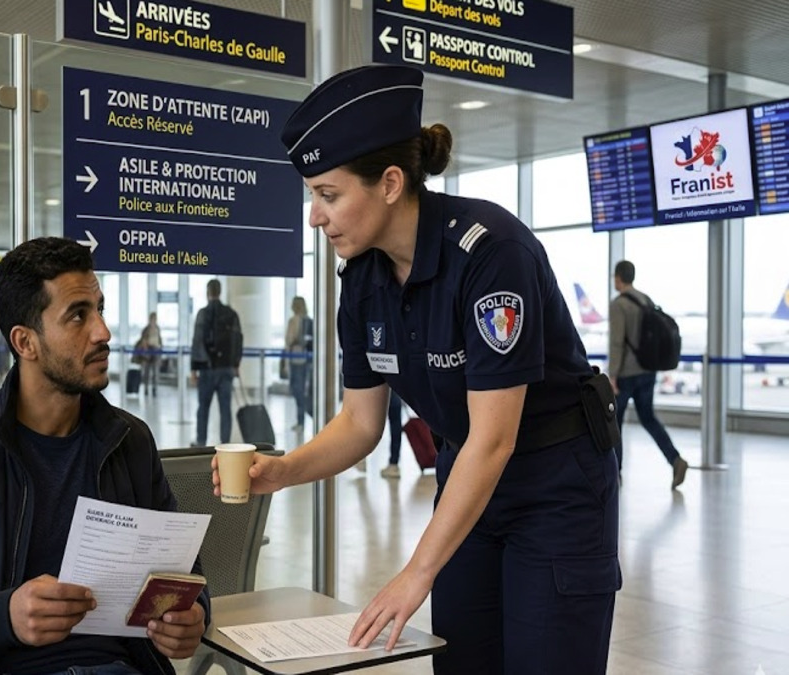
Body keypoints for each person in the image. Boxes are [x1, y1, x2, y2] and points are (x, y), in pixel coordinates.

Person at [216, 65, 621, 674]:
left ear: (389, 183)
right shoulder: (362, 282)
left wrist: (415, 573)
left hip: (554, 484)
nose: (314, 216)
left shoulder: (490, 255)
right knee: (463, 661)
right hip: (468, 480)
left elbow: (496, 436)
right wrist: (283, 472)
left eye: (328, 195)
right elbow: (360, 423)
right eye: (312, 197)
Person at [0, 237, 208, 674]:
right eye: (78, 315)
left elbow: (182, 575)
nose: (103, 332)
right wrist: (4, 616)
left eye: (100, 309)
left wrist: (192, 617)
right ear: (25, 342)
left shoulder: (129, 441)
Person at [608, 260, 690, 489]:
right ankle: (675, 459)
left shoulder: (619, 305)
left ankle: (615, 473)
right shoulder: (646, 300)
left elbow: (617, 343)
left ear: (618, 278)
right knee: (649, 418)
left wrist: (612, 376)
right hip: (648, 371)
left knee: (615, 423)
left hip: (626, 374)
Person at [190, 279, 242, 447]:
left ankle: (201, 442)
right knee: (225, 409)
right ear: (220, 292)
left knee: (203, 407)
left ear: (208, 292)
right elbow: (238, 339)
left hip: (207, 368)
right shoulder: (231, 314)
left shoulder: (203, 314)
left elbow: (197, 341)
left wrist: (194, 368)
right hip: (226, 368)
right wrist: (236, 363)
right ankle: (225, 444)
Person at [284, 296, 313, 431]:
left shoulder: (306, 322)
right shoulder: (294, 321)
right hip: (294, 359)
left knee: (299, 390)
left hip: (301, 360)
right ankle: (303, 417)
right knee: (296, 390)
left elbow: (291, 340)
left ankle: (304, 417)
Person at [133, 312, 163, 396]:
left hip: (156, 352)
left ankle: (154, 389)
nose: (154, 320)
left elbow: (159, 340)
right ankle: (146, 388)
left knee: (155, 372)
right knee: (146, 372)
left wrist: (160, 348)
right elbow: (143, 341)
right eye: (152, 318)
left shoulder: (157, 328)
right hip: (147, 353)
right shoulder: (146, 329)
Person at [381, 391, 403, 478]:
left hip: (383, 389)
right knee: (396, 426)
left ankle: (361, 458)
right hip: (395, 391)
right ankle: (394, 463)